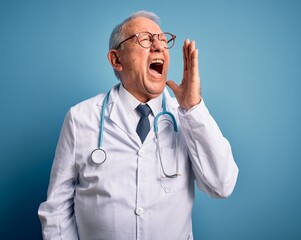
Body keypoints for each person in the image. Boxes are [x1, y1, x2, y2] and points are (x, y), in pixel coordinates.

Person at [38, 10, 239, 240]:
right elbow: (56, 209)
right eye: (145, 39)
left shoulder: (186, 117)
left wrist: (193, 108)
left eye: (163, 40)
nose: (158, 46)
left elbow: (222, 185)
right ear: (116, 59)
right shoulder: (80, 118)